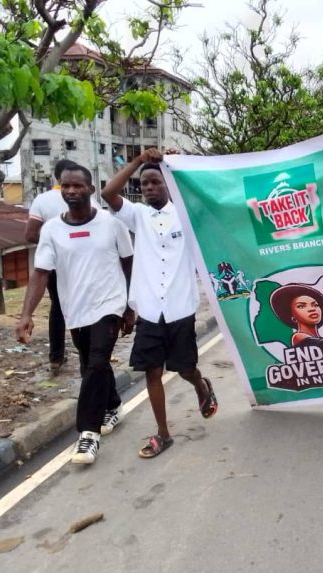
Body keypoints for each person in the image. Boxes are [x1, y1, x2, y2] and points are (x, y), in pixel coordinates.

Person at [101, 149, 218, 459]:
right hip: (151, 311)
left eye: (156, 182)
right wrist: (138, 162)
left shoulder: (186, 213)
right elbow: (108, 192)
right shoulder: (137, 215)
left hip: (181, 308)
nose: (149, 188)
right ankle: (163, 434)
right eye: (145, 184)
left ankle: (201, 386)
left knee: (185, 368)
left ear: (168, 185)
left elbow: (214, 196)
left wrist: (182, 163)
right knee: (152, 372)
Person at [16, 164, 134, 465]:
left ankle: (87, 435)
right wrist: (26, 314)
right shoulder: (52, 230)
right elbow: (41, 272)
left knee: (95, 362)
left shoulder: (111, 224)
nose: (71, 191)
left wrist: (132, 306)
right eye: (65, 186)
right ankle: (112, 404)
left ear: (90, 190)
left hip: (110, 304)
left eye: (78, 186)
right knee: (91, 362)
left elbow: (129, 264)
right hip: (75, 308)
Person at [25, 159, 101, 376]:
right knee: (84, 306)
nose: (72, 191)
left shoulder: (42, 200)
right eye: (68, 184)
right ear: (62, 180)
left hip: (60, 265)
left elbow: (30, 234)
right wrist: (61, 240)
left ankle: (57, 358)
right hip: (77, 264)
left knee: (58, 308)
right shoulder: (90, 200)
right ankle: (88, 358)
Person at [270, 279, 323, 347]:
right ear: (292, 316)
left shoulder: (321, 341)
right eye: (301, 306)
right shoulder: (298, 337)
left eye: (315, 305)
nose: (311, 309)